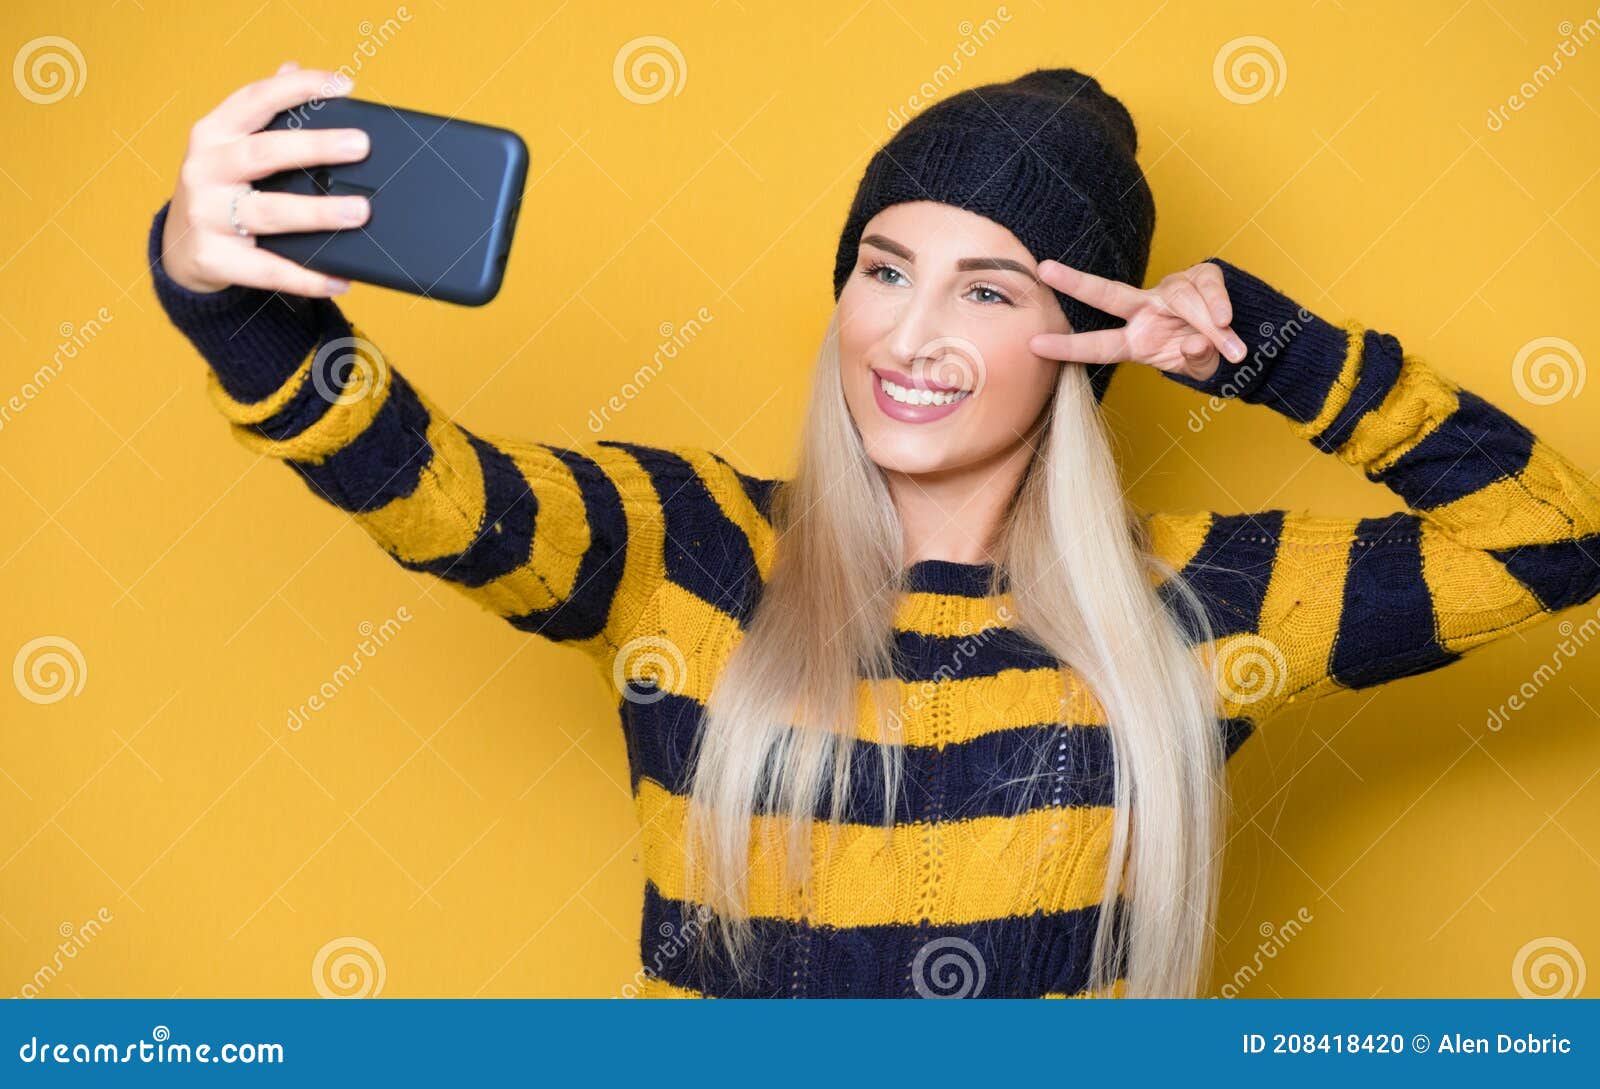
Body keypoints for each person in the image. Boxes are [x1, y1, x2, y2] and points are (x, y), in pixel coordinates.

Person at [148, 61, 1600, 998]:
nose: (908, 335)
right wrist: (225, 293)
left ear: (1083, 337)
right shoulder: (686, 544)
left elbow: (1551, 539)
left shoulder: (1197, 599)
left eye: (989, 289)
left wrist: (1274, 355)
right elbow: (427, 487)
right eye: (883, 267)